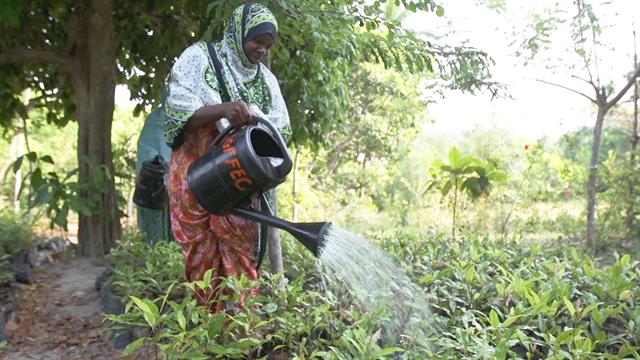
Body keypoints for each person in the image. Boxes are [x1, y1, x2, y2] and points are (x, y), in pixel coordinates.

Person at [164, 3, 291, 312]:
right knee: (200, 257)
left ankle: (241, 334)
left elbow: (282, 132)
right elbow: (176, 110)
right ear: (237, 34)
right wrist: (224, 109)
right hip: (194, 180)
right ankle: (209, 329)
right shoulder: (199, 59)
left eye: (267, 46)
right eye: (256, 42)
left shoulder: (265, 83)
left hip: (238, 181)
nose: (261, 50)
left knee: (240, 256)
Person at [134, 106, 174, 244]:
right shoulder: (154, 121)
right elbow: (145, 153)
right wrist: (161, 165)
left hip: (184, 188)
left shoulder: (195, 118)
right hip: (155, 187)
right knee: (156, 241)